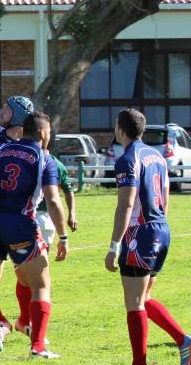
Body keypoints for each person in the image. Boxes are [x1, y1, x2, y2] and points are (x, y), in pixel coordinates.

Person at [0, 111, 68, 359]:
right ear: (42, 133)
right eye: (49, 132)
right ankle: (38, 346)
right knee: (41, 285)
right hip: (19, 225)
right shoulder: (43, 158)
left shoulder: (0, 151)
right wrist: (63, 237)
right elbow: (52, 199)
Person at [104, 108, 191, 365]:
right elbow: (165, 198)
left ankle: (139, 362)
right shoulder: (157, 155)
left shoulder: (127, 158)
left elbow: (125, 205)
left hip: (139, 234)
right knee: (144, 298)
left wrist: (113, 246)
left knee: (134, 303)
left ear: (121, 129)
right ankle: (184, 342)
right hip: (161, 229)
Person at [14, 139, 78, 340]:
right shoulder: (48, 162)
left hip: (38, 220)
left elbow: (67, 190)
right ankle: (27, 322)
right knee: (32, 274)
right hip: (34, 219)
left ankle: (26, 321)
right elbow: (62, 193)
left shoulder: (47, 163)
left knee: (27, 271)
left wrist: (72, 214)